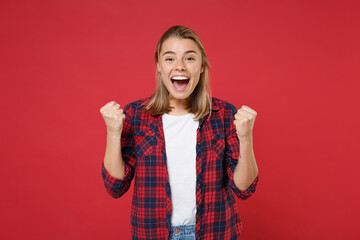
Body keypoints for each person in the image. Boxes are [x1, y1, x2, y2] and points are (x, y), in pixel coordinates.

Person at [100, 25, 259, 240]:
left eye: (190, 58)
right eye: (170, 58)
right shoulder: (136, 116)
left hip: (215, 232)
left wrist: (246, 138)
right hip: (154, 234)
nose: (180, 66)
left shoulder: (224, 115)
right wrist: (112, 132)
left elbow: (244, 189)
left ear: (201, 66)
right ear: (158, 65)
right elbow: (115, 187)